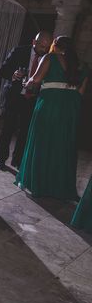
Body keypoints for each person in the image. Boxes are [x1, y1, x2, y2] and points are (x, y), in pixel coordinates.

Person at [15, 36, 88, 201]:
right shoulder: (83, 66)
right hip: (70, 110)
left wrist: (27, 83)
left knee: (42, 143)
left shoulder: (50, 57)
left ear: (55, 46)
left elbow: (37, 79)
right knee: (63, 146)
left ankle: (36, 183)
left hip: (49, 106)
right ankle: (59, 187)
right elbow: (80, 94)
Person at [0, 31, 53, 170]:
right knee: (8, 128)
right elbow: (3, 70)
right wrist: (13, 74)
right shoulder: (19, 51)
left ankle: (18, 161)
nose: (44, 49)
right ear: (34, 42)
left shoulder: (49, 58)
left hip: (33, 99)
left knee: (25, 132)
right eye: (41, 46)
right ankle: (1, 159)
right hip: (15, 96)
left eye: (47, 46)